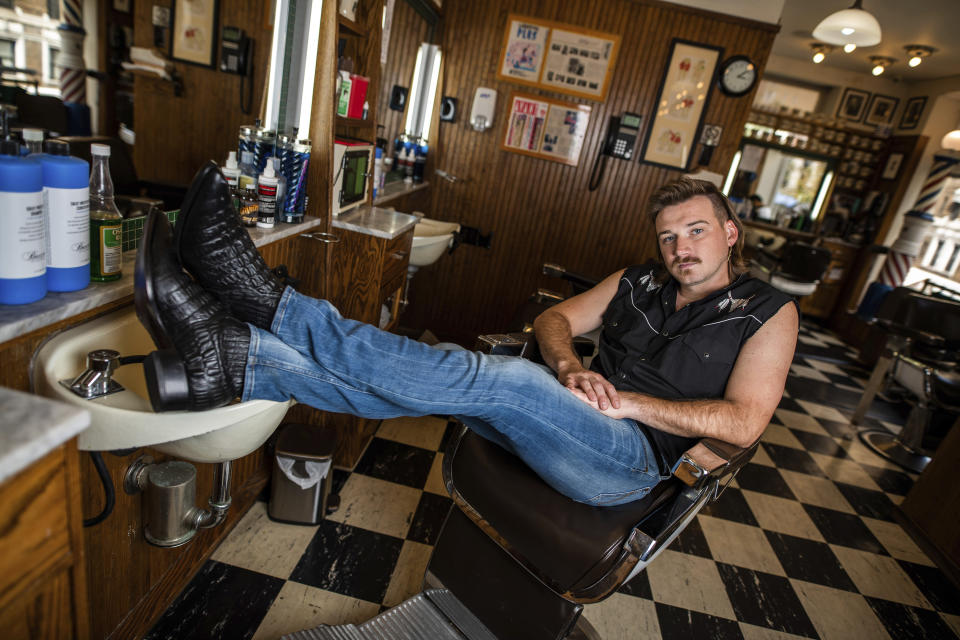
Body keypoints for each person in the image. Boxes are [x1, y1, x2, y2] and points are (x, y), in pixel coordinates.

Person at [135, 166, 798, 507]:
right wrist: (568, 367)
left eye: (697, 231)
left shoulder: (766, 311)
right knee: (457, 374)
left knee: (502, 377)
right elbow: (553, 321)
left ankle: (269, 305)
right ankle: (234, 361)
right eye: (668, 235)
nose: (680, 247)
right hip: (574, 413)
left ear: (729, 231)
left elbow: (744, 422)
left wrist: (631, 405)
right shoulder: (638, 280)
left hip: (630, 463)